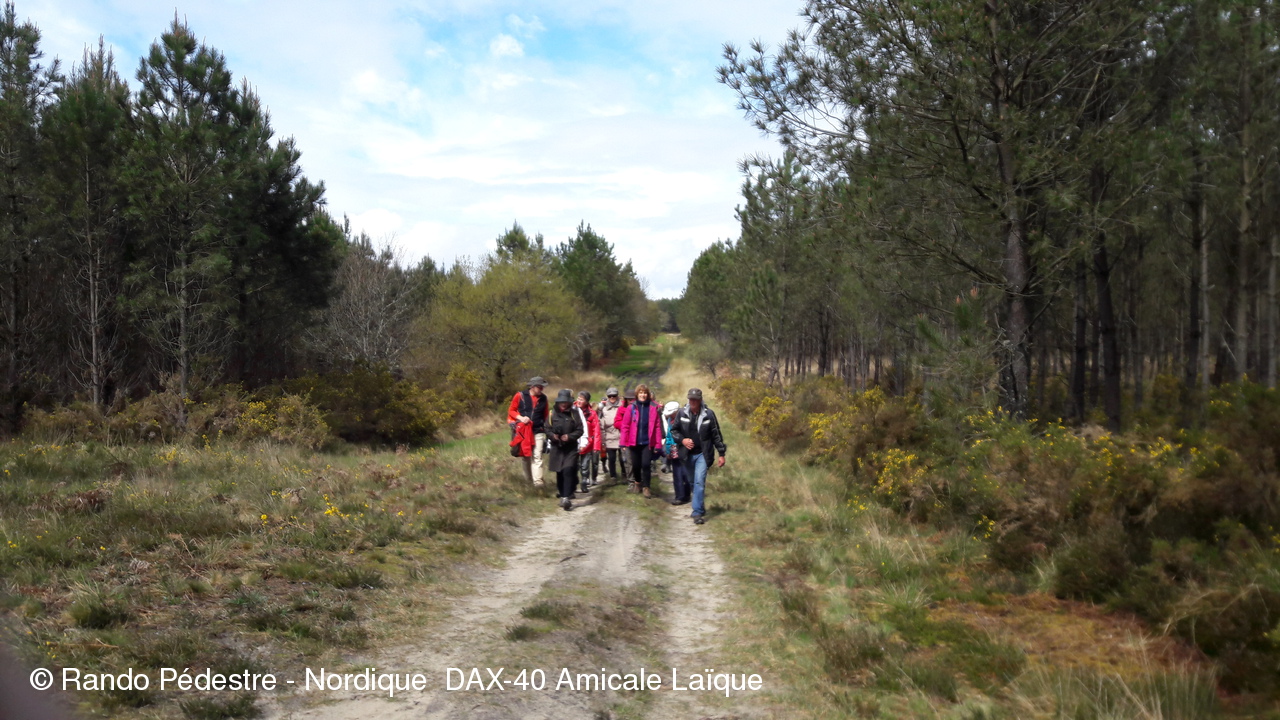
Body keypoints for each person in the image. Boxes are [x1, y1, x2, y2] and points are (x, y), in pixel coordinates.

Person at [671, 388, 727, 525]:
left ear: (700, 400)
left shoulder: (709, 414)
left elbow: (716, 435)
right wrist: (683, 440)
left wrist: (721, 454)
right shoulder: (682, 413)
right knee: (692, 482)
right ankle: (699, 505)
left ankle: (697, 513)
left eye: (695, 399)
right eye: (691, 399)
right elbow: (674, 431)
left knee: (699, 482)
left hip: (703, 454)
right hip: (687, 454)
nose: (693, 402)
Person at [618, 384, 664, 498]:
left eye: (644, 393)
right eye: (640, 393)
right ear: (637, 394)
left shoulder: (653, 408)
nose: (642, 395)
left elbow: (657, 427)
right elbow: (625, 426)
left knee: (646, 464)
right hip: (634, 442)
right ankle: (638, 482)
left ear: (647, 394)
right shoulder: (631, 407)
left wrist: (658, 444)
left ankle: (646, 487)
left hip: (647, 442)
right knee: (636, 465)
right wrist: (623, 442)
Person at [507, 376, 550, 486]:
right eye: (539, 387)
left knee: (537, 455)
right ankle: (528, 481)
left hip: (538, 430)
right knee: (526, 456)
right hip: (524, 431)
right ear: (532, 386)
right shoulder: (520, 396)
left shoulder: (544, 398)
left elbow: (545, 415)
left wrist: (548, 429)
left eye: (542, 387)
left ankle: (538, 482)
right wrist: (521, 418)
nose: (541, 389)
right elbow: (511, 410)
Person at [546, 389, 584, 510]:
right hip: (557, 448)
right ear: (558, 402)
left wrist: (569, 436)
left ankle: (566, 497)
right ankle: (562, 495)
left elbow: (580, 430)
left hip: (570, 448)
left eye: (565, 402)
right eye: (561, 402)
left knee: (568, 470)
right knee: (560, 472)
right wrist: (553, 436)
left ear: (569, 402)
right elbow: (547, 429)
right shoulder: (551, 414)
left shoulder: (574, 414)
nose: (563, 404)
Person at [662, 401, 691, 505]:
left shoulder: (685, 418)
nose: (670, 415)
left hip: (684, 448)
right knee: (677, 473)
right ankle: (679, 496)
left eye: (671, 413)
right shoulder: (670, 420)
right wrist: (668, 450)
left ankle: (687, 495)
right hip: (674, 447)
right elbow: (669, 436)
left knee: (685, 473)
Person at [575, 390, 601, 493]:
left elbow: (596, 431)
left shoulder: (592, 413)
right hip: (574, 442)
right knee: (574, 465)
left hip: (587, 444)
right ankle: (573, 484)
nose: (579, 401)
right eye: (578, 398)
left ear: (586, 402)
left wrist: (596, 446)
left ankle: (584, 483)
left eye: (582, 399)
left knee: (585, 466)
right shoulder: (572, 409)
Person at [597, 387, 624, 481]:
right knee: (611, 459)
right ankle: (613, 476)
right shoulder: (603, 409)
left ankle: (625, 474)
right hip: (609, 437)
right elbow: (602, 426)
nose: (612, 397)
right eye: (610, 396)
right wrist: (603, 441)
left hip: (622, 436)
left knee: (623, 459)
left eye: (614, 395)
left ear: (617, 396)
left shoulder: (623, 407)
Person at [615, 388, 636, 479]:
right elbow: (616, 423)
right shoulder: (621, 409)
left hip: (637, 438)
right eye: (629, 399)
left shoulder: (639, 409)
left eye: (633, 399)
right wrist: (626, 424)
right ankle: (631, 480)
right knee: (628, 461)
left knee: (637, 461)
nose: (631, 401)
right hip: (626, 438)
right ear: (626, 399)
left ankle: (639, 479)